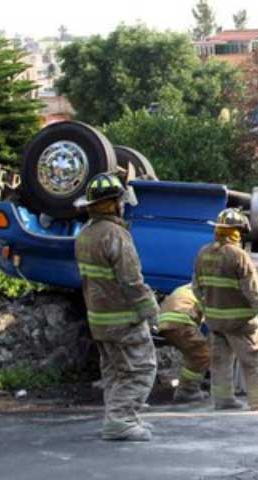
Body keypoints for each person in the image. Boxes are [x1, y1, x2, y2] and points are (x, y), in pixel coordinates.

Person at [74, 173, 158, 441]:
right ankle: (121, 420)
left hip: (99, 319)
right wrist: (151, 311)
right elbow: (132, 281)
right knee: (141, 368)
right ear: (113, 203)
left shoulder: (85, 234)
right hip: (124, 320)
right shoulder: (116, 234)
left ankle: (119, 417)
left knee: (114, 370)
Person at [193, 208, 258, 411]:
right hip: (241, 322)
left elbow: (196, 288)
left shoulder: (203, 253)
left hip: (215, 321)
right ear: (237, 232)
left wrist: (208, 309)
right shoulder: (239, 255)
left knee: (220, 361)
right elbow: (252, 291)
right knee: (253, 358)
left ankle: (222, 400)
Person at [157, 284, 210, 403]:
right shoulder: (209, 289)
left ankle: (187, 388)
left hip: (168, 323)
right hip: (181, 322)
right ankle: (187, 391)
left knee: (192, 354)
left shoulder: (188, 287)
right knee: (202, 355)